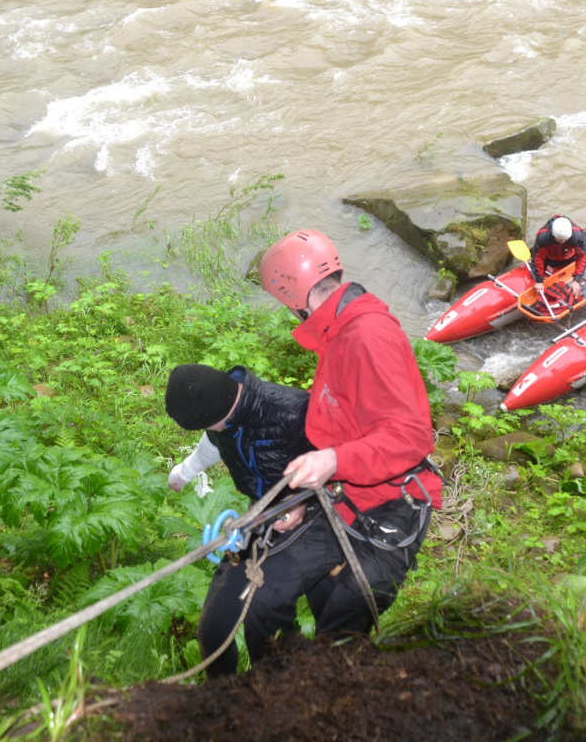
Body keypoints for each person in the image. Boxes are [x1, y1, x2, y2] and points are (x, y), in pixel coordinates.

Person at [257, 228, 441, 648]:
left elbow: (410, 436)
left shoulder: (365, 337)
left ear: (293, 296)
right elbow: (342, 425)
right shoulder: (337, 331)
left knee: (337, 633)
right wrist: (302, 501)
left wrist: (332, 461)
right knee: (273, 593)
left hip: (392, 503)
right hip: (347, 495)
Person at [165, 363, 317, 677]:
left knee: (265, 626)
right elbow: (212, 445)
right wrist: (185, 471)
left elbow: (340, 461)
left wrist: (303, 500)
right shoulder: (218, 413)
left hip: (317, 522)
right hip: (260, 519)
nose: (211, 432)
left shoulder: (293, 411)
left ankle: (280, 695)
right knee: (214, 629)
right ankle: (224, 699)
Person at [529, 214, 586, 312]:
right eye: (560, 239)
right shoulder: (543, 237)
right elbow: (538, 258)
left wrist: (577, 280)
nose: (562, 241)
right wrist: (539, 281)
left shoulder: (577, 235)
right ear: (554, 235)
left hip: (568, 255)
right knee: (534, 257)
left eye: (565, 239)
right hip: (551, 257)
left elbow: (583, 256)